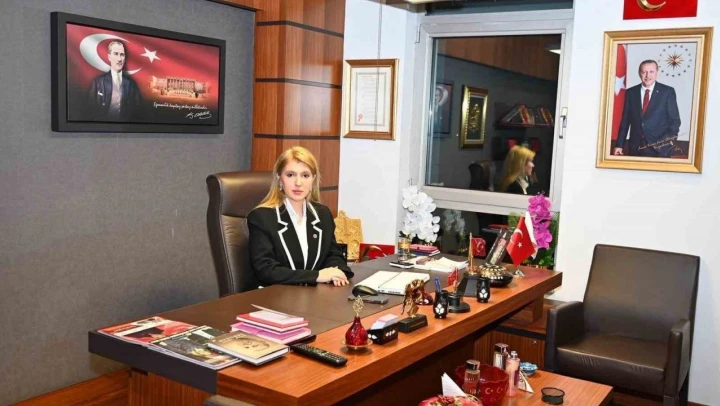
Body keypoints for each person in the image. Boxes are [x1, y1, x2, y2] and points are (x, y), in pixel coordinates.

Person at [248, 146, 354, 287]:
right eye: (290, 175)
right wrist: (317, 276)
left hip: (312, 295)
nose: (298, 183)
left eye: (305, 175)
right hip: (275, 295)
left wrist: (337, 272)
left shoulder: (322, 214)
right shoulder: (262, 217)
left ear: (313, 180)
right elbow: (266, 269)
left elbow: (333, 254)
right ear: (279, 179)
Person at [613, 60, 681, 157]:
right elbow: (625, 121)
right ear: (639, 73)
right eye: (644, 72)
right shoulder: (631, 93)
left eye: (651, 72)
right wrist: (619, 145)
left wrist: (667, 143)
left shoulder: (667, 92)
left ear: (657, 73)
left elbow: (675, 121)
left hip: (660, 149)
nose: (647, 75)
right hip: (636, 147)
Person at [87, 40, 142, 120]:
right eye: (116, 54)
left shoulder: (131, 85)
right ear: (109, 56)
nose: (119, 59)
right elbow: (90, 111)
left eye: (122, 55)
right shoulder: (97, 83)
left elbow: (137, 113)